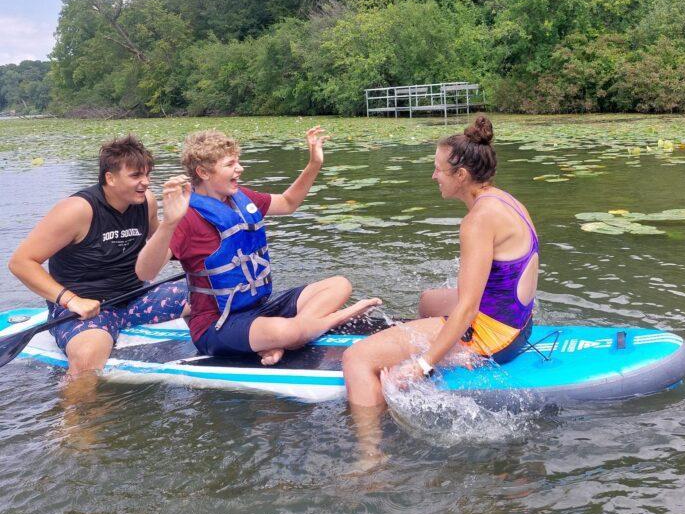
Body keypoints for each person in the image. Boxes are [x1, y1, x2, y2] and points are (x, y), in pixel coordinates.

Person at [343, 115, 538, 412]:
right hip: (521, 326)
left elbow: (468, 309)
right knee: (427, 302)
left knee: (356, 358)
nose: (434, 176)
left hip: (497, 338)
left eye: (438, 170)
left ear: (460, 175)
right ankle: (449, 350)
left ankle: (371, 456)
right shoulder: (503, 200)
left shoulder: (477, 221)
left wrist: (422, 365)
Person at [136, 127, 380, 364]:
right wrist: (168, 223)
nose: (240, 169)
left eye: (237, 162)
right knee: (290, 332)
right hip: (216, 325)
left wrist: (314, 164)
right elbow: (145, 272)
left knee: (339, 285)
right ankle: (323, 322)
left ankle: (291, 334)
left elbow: (287, 203)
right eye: (230, 164)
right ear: (203, 172)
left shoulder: (240, 199)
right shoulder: (186, 217)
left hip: (260, 309)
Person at [8, 135, 188, 379]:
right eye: (136, 176)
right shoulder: (77, 210)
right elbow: (20, 262)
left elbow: (164, 248)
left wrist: (178, 221)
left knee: (214, 291)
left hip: (136, 297)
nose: (145, 183)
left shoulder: (146, 202)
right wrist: (72, 301)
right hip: (87, 309)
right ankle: (77, 415)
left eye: (147, 175)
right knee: (88, 359)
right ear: (110, 178)